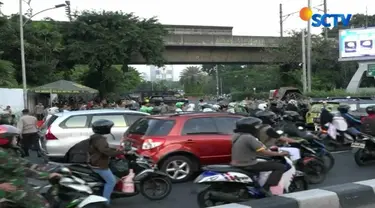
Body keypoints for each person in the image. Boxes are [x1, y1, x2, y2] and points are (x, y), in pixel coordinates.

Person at [0, 124, 60, 208]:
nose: (16, 140)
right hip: (11, 187)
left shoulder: (9, 150)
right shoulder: (2, 154)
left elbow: (25, 163)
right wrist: (48, 176)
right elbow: (22, 170)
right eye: (14, 137)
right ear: (5, 139)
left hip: (17, 183)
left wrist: (50, 168)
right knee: (41, 205)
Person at [231, 117, 289, 195]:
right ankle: (266, 188)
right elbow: (263, 151)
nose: (257, 128)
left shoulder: (236, 136)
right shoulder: (248, 137)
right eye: (256, 126)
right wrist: (280, 154)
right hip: (247, 164)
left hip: (236, 163)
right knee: (280, 167)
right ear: (250, 127)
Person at [88, 119, 123, 204]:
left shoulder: (95, 137)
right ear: (104, 129)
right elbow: (105, 151)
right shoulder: (100, 139)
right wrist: (120, 152)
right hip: (99, 164)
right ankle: (106, 202)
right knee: (111, 182)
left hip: (94, 161)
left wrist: (115, 149)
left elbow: (103, 148)